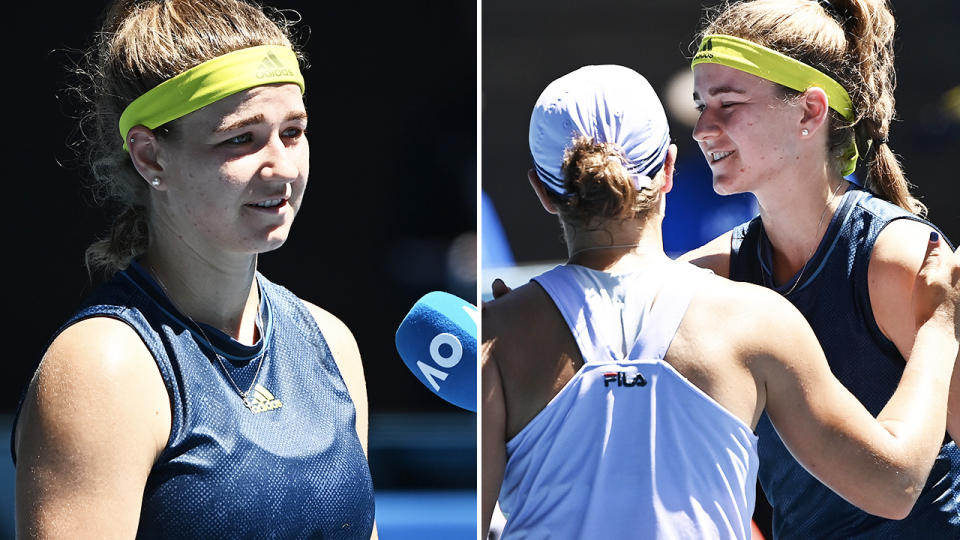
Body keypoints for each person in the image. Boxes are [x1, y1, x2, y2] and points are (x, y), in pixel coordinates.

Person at [481, 64, 960, 539]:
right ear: (668, 168)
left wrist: (504, 329)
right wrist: (940, 326)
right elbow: (894, 485)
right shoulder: (757, 320)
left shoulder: (495, 339)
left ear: (543, 191)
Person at [13, 1, 376, 538]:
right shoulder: (103, 369)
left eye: (293, 132)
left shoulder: (332, 343)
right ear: (150, 157)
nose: (281, 166)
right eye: (240, 139)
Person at [680, 0, 960, 536]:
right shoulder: (708, 276)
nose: (702, 128)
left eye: (728, 103)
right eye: (701, 105)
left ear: (810, 112)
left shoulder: (900, 262)